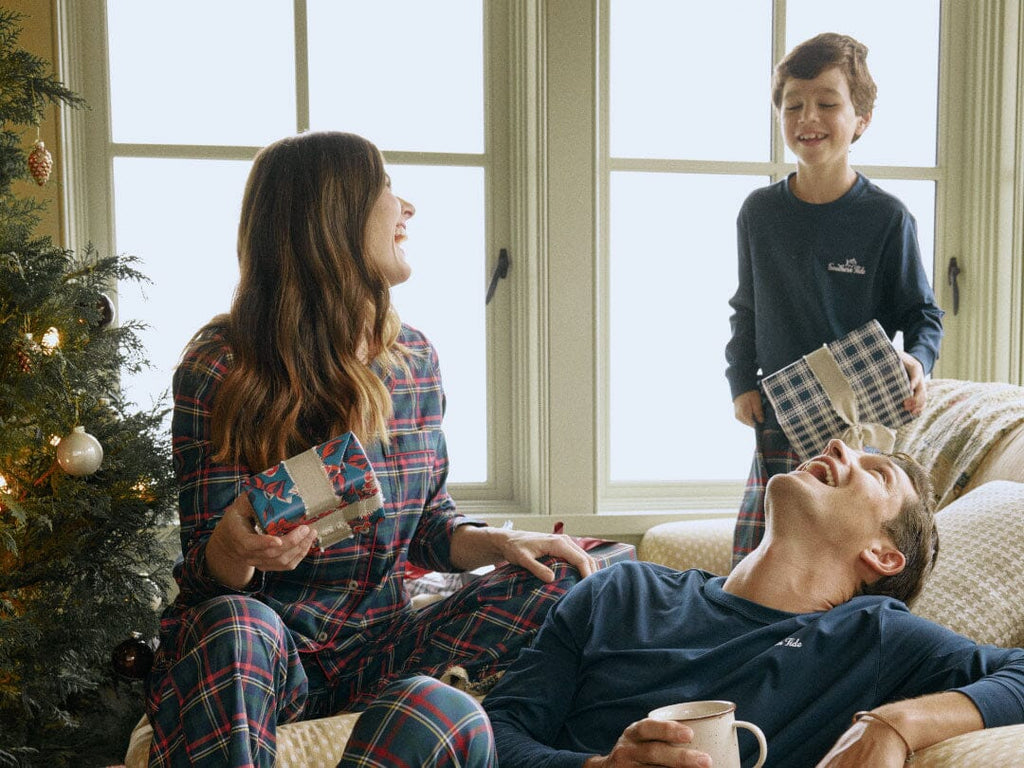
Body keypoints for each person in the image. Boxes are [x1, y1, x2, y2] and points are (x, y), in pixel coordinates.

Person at [143, 130, 598, 768]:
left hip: (384, 646)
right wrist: (234, 547)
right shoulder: (224, 364)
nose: (405, 207)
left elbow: (429, 526)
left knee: (577, 571)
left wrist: (501, 542)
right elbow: (204, 574)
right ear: (331, 218)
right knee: (234, 624)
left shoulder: (413, 359)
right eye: (386, 188)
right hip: (266, 654)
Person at [483, 439, 1024, 767]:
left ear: (883, 555)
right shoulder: (619, 590)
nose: (837, 450)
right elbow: (493, 734)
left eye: (875, 473)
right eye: (845, 448)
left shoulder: (873, 637)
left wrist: (892, 725)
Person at [725, 32, 945, 567]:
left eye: (827, 103)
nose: (808, 117)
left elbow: (923, 315)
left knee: (841, 555)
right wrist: (739, 381)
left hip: (857, 419)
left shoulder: (888, 219)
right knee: (758, 554)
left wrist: (918, 359)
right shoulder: (759, 213)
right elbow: (745, 308)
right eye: (793, 104)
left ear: (861, 119)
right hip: (779, 414)